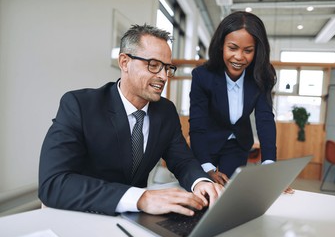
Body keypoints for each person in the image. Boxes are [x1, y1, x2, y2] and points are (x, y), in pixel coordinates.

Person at [38, 24, 224, 217]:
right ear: (124, 62)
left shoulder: (166, 111)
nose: (163, 76)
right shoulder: (80, 105)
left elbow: (183, 161)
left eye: (167, 68)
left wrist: (200, 182)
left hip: (134, 220)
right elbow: (53, 183)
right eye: (153, 65)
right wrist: (141, 198)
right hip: (84, 215)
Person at [189, 11, 277, 185]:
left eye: (248, 50)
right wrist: (207, 167)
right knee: (204, 191)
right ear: (221, 45)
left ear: (257, 50)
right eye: (233, 48)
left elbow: (265, 119)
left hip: (238, 145)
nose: (239, 57)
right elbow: (197, 125)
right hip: (207, 143)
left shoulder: (262, 76)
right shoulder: (202, 76)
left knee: (229, 193)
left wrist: (269, 165)